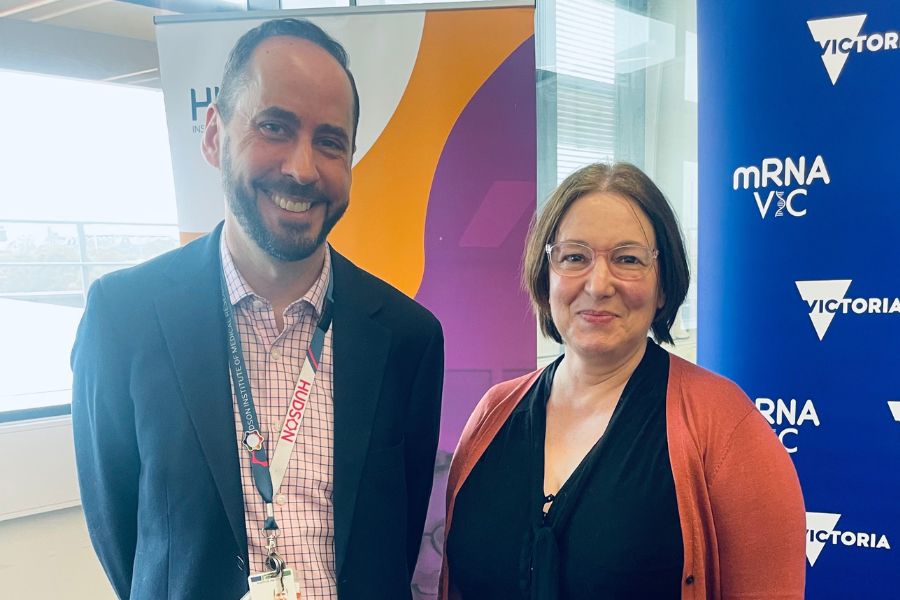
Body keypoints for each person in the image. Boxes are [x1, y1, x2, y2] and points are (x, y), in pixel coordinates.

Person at [72, 18, 444, 600]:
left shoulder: (408, 338)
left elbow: (397, 537)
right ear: (215, 134)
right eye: (274, 127)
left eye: (330, 141)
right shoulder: (123, 319)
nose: (301, 168)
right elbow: (121, 535)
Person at [439, 163, 805, 600]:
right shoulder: (491, 416)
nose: (598, 284)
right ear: (546, 274)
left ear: (663, 285)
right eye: (575, 257)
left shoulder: (726, 429)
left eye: (628, 259)